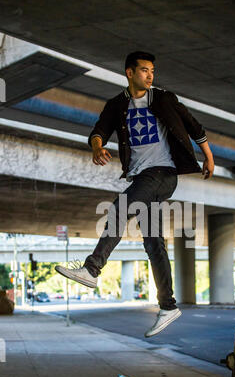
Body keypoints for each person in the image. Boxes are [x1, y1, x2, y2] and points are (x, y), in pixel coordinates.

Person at [55, 51, 215, 337]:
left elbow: (194, 126)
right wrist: (96, 147)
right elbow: (99, 131)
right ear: (130, 73)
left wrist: (208, 156)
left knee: (120, 208)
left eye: (152, 70)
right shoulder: (117, 105)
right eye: (144, 70)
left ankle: (92, 269)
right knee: (154, 244)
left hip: (164, 174)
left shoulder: (164, 98)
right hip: (142, 176)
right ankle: (168, 306)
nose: (150, 75)